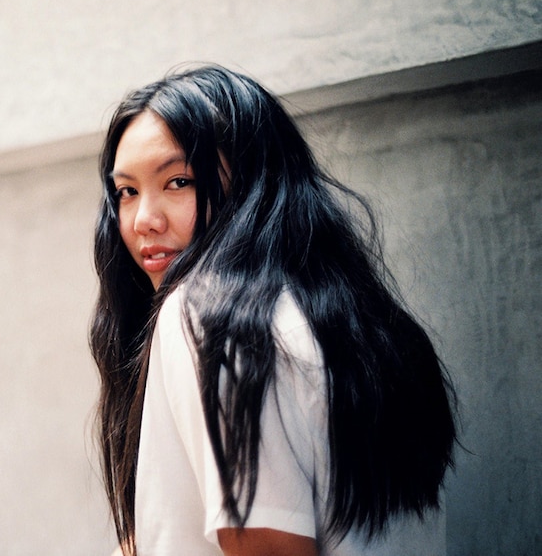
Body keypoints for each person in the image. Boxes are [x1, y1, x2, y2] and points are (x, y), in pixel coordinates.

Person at [89, 65, 457, 556]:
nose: (143, 221)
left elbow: (270, 546)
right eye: (127, 191)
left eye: (178, 181)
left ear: (251, 182)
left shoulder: (210, 315)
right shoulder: (359, 325)